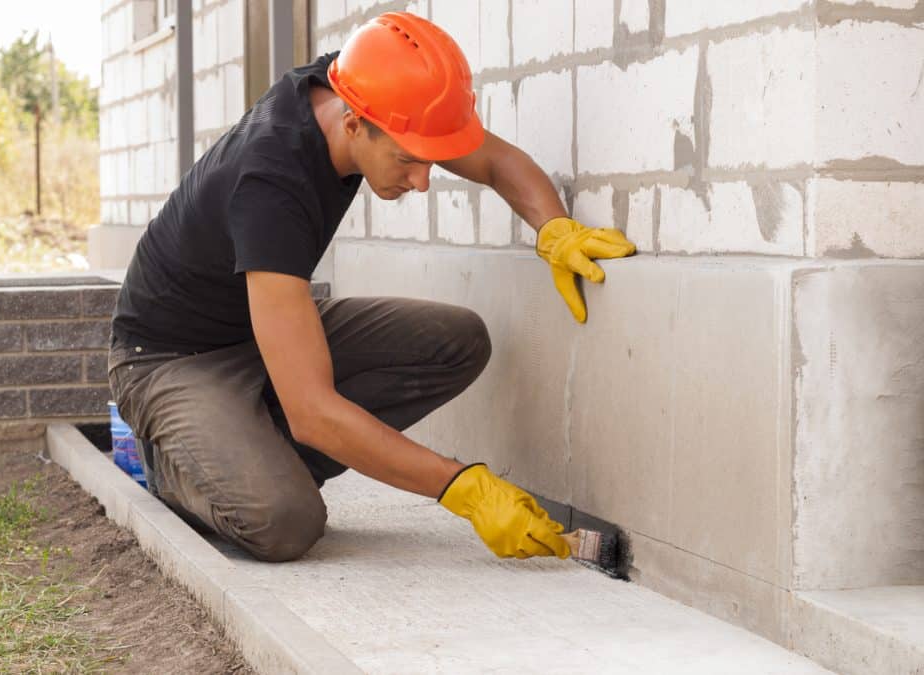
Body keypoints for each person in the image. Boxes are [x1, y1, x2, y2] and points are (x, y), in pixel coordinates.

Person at [107, 12, 635, 563]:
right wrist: (465, 489)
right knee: (284, 521)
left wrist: (554, 228)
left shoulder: (364, 90)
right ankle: (181, 464)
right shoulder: (270, 186)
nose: (423, 180)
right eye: (409, 160)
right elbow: (312, 412)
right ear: (353, 123)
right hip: (169, 361)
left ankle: (257, 453)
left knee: (455, 340)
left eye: (429, 159)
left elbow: (495, 160)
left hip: (256, 333)